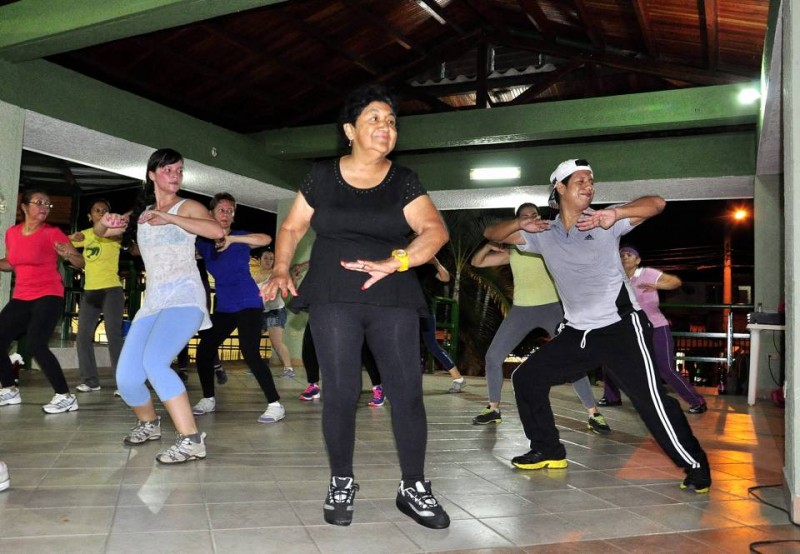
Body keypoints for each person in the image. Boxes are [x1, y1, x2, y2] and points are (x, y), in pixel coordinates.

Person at [262, 84, 450, 528]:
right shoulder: (322, 176)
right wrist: (282, 268)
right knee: (341, 393)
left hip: (393, 295)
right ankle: (341, 480)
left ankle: (414, 487)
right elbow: (290, 227)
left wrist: (396, 260)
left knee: (407, 393)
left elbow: (434, 231)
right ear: (349, 130)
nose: (385, 127)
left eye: (391, 121)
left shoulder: (403, 180)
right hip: (333, 294)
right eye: (374, 119)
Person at [494, 158, 711, 493]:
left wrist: (617, 214)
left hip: (621, 327)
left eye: (591, 180)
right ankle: (548, 449)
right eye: (578, 180)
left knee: (650, 400)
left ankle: (695, 465)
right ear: (559, 188)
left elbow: (657, 204)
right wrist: (520, 223)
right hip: (578, 332)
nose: (587, 185)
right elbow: (490, 232)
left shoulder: (603, 220)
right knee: (527, 378)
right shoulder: (543, 233)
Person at [94, 148, 224, 464]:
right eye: (168, 170)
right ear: (152, 174)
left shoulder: (188, 206)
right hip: (153, 302)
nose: (175, 175)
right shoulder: (142, 212)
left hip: (185, 298)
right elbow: (105, 232)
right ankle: (149, 423)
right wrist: (104, 223)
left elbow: (216, 231)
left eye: (179, 170)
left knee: (154, 362)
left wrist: (169, 217)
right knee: (126, 377)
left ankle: (192, 440)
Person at [473, 203, 610, 435]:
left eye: (533, 215)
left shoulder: (550, 243)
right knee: (493, 356)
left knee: (572, 359)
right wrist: (490, 244)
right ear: (518, 221)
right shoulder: (513, 251)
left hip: (551, 309)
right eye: (523, 217)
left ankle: (593, 414)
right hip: (521, 311)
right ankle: (493, 409)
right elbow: (477, 262)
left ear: (539, 218)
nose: (529, 219)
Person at [192, 193, 285, 423]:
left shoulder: (241, 236)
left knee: (249, 350)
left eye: (230, 210)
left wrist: (233, 240)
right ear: (211, 213)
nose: (226, 214)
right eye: (221, 210)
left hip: (248, 302)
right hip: (225, 306)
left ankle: (275, 404)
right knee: (205, 350)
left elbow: (265, 239)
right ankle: (208, 398)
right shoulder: (204, 243)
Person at [0, 188, 84, 413]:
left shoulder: (52, 232)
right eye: (40, 202)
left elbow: (80, 262)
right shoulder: (12, 233)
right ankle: (8, 389)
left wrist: (69, 255)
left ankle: (65, 396)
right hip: (22, 296)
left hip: (48, 294)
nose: (45, 207)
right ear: (25, 207)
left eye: (48, 204)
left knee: (36, 343)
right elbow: (13, 262)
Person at [599, 246, 707, 414]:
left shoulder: (645, 273)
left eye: (630, 255)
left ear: (637, 260)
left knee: (666, 368)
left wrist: (657, 285)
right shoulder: (616, 279)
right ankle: (612, 396)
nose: (625, 257)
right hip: (630, 330)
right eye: (622, 255)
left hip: (656, 327)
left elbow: (675, 281)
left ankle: (696, 401)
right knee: (611, 361)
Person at [70, 199, 124, 393]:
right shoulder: (85, 234)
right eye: (97, 210)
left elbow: (118, 236)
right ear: (89, 216)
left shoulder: (114, 233)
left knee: (114, 336)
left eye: (105, 211)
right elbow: (63, 243)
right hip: (90, 292)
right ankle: (90, 381)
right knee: (82, 337)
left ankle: (123, 383)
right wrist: (70, 244)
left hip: (112, 290)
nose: (101, 213)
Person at [416, 254, 466, 393]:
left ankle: (458, 378)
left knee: (432, 345)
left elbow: (445, 278)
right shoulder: (401, 264)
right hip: (404, 311)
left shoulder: (425, 266)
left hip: (425, 311)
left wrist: (435, 261)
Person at [253, 248, 296, 378]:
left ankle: (289, 369)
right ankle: (256, 367)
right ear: (259, 259)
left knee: (276, 342)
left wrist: (293, 277)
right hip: (261, 312)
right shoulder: (253, 276)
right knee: (252, 340)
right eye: (265, 258)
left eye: (271, 258)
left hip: (274, 312)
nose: (268, 261)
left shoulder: (275, 274)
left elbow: (285, 289)